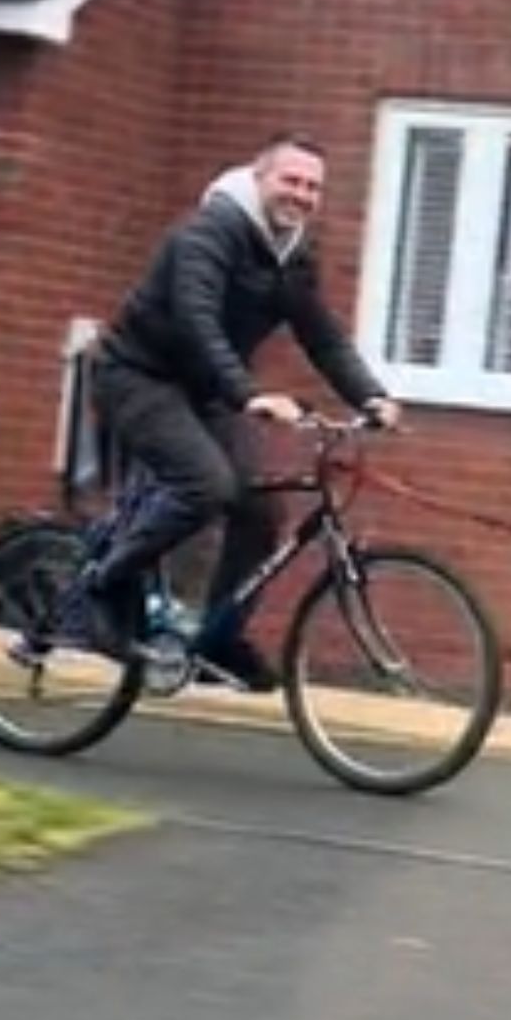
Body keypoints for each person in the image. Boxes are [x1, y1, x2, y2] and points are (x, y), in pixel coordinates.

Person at [76, 133, 401, 690]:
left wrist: (370, 395)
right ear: (258, 179)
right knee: (206, 485)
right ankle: (105, 586)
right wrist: (248, 393)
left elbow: (323, 339)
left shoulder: (291, 258)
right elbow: (196, 321)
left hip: (207, 391)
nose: (301, 195)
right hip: (138, 377)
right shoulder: (209, 233)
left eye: (313, 187)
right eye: (291, 180)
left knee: (260, 512)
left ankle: (217, 639)